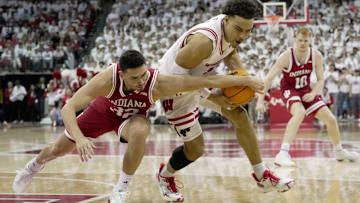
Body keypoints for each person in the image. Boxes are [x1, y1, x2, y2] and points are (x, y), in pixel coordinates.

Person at [13, 50, 265, 203]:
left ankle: (120, 190)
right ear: (121, 74)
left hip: (131, 119)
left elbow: (196, 81)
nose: (140, 80)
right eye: (134, 77)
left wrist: (248, 80)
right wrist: (79, 139)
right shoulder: (107, 79)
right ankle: (32, 167)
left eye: (143, 74)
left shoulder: (156, 83)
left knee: (140, 131)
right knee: (56, 149)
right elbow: (68, 108)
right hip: (101, 113)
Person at [155, 0, 295, 201]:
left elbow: (230, 54)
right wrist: (218, 93)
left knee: (240, 115)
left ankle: (261, 175)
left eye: (248, 31)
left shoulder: (231, 29)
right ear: (227, 20)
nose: (243, 36)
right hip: (174, 90)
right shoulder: (204, 41)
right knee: (196, 150)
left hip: (199, 80)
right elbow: (179, 82)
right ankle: (165, 175)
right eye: (239, 30)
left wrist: (242, 77)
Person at [256, 27, 359, 167]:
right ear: (295, 40)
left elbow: (321, 79)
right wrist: (260, 101)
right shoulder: (286, 56)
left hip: (306, 90)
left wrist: (313, 93)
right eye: (300, 40)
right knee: (299, 113)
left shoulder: (316, 55)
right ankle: (282, 153)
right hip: (289, 89)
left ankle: (339, 151)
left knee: (331, 119)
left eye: (306, 40)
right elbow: (268, 79)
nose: (303, 43)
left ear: (310, 41)